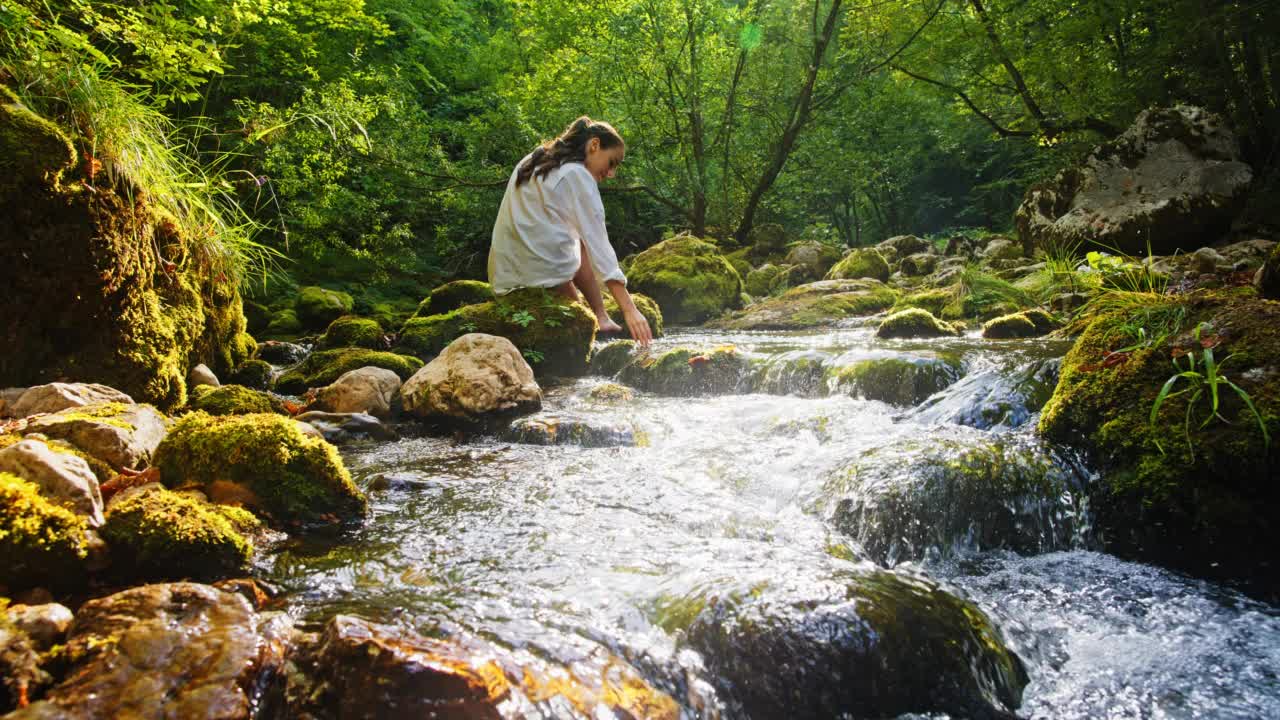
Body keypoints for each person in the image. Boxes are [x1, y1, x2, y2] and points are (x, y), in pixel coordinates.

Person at [489, 116, 653, 347]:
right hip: (541, 275)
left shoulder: (535, 159)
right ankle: (599, 320)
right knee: (584, 338)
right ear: (594, 145)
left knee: (574, 236)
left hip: (506, 275)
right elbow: (600, 245)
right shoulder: (578, 175)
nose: (611, 173)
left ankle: (601, 317)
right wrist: (630, 310)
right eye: (612, 162)